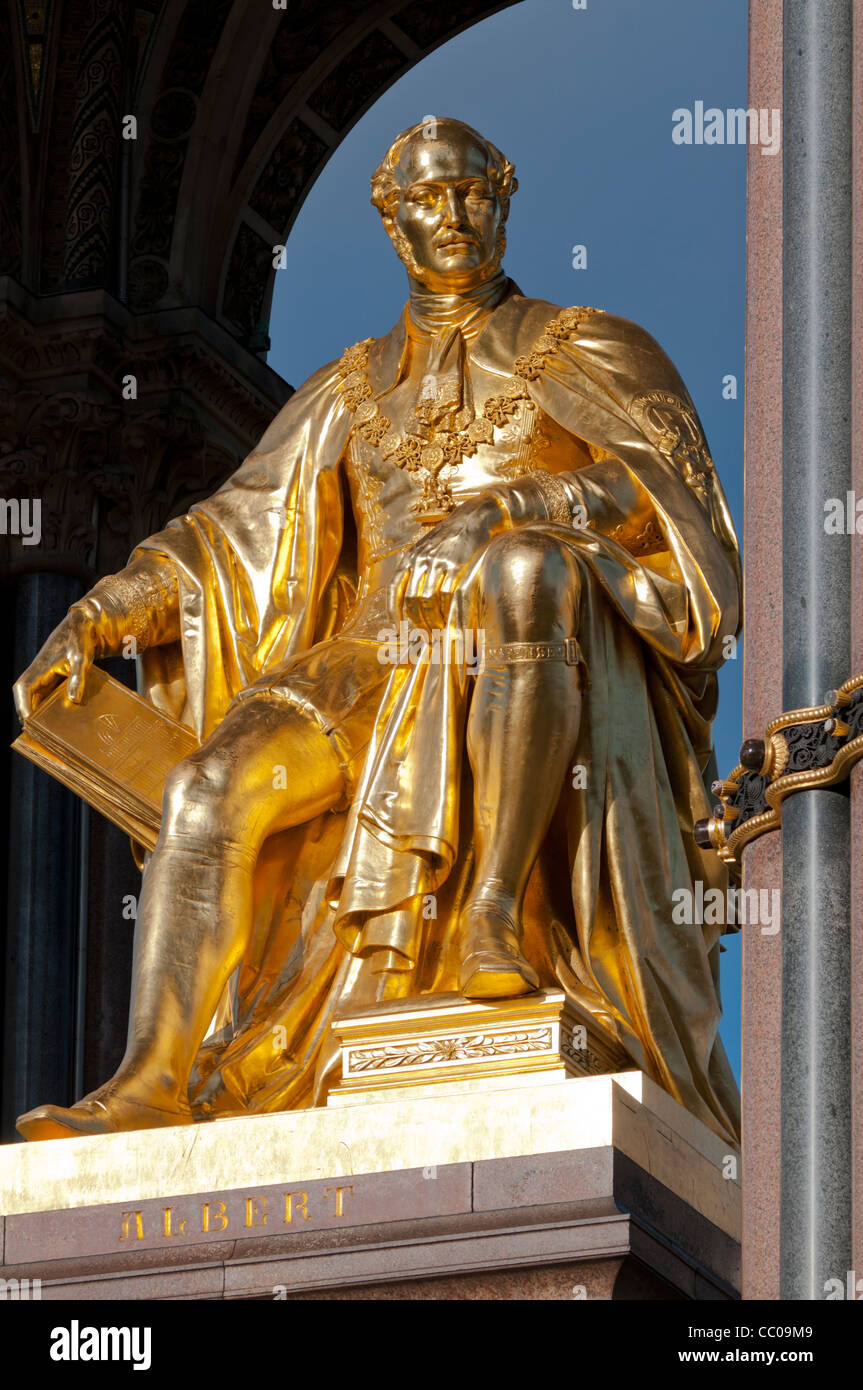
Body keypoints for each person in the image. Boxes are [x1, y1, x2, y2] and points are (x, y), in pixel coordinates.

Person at [14, 118, 742, 1143]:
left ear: (504, 192)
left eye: (468, 194)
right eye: (425, 200)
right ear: (390, 219)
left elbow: (662, 497)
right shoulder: (348, 389)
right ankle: (154, 1079)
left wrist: (506, 512)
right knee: (207, 788)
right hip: (365, 660)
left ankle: (494, 906)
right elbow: (228, 536)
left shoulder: (588, 345)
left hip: (520, 634)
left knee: (526, 574)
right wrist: (98, 612)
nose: (449, 217)